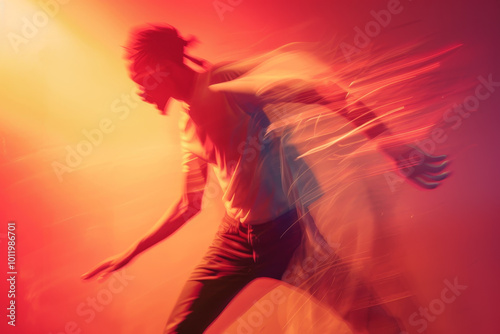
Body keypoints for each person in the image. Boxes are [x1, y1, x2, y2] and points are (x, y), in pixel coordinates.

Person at [81, 24, 450, 333]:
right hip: (234, 245)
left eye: (140, 80)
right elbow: (187, 205)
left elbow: (324, 92)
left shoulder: (222, 83)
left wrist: (387, 140)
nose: (139, 93)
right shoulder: (185, 124)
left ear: (159, 66)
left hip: (291, 240)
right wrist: (132, 252)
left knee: (377, 325)